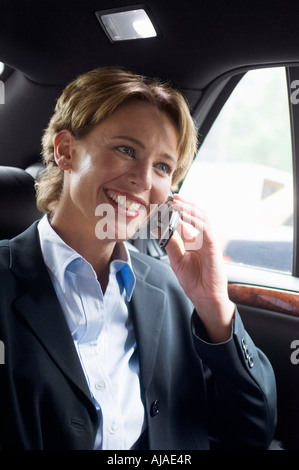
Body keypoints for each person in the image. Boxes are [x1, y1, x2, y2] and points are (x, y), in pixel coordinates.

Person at [0, 66, 277, 450]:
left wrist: (215, 307)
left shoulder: (169, 288)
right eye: (126, 150)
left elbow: (252, 432)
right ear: (66, 151)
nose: (145, 180)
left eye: (163, 167)